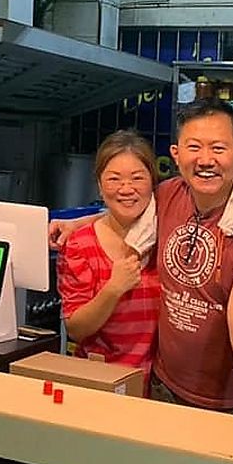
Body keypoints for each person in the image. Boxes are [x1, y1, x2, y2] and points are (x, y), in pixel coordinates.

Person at [51, 99, 233, 429]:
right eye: (194, 147)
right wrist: (76, 224)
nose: (206, 159)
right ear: (176, 154)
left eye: (218, 148)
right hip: (164, 387)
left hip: (231, 402)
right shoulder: (171, 194)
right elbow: (129, 207)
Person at [56, 131, 160, 373]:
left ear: (153, 182)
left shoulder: (168, 236)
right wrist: (113, 289)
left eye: (137, 178)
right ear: (100, 187)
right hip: (102, 378)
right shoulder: (79, 245)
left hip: (161, 384)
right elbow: (76, 329)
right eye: (114, 179)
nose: (126, 189)